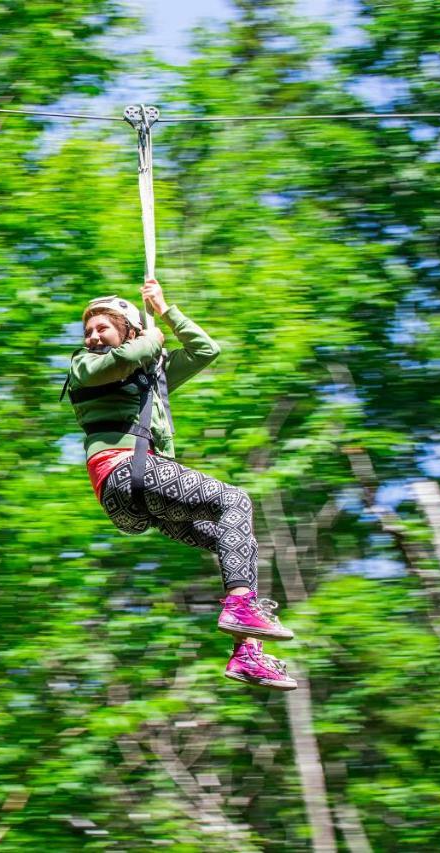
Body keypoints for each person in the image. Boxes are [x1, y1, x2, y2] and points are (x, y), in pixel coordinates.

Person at [63, 278, 296, 691]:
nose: (93, 336)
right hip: (122, 471)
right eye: (90, 331)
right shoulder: (85, 366)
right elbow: (120, 361)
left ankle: (246, 652)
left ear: (128, 331)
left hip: (135, 492)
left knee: (228, 535)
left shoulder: (149, 367)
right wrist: (151, 339)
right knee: (235, 500)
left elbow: (207, 350)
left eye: (104, 328)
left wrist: (166, 311)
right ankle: (242, 609)